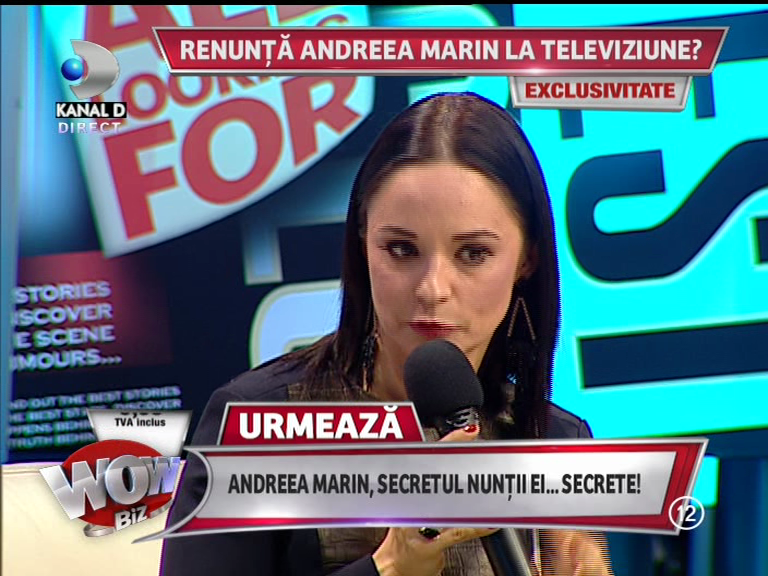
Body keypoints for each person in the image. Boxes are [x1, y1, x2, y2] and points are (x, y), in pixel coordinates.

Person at [159, 93, 614, 576]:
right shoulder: (255, 429)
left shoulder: (556, 441)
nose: (433, 289)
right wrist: (389, 566)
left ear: (526, 260)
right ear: (363, 245)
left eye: (473, 254)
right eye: (401, 249)